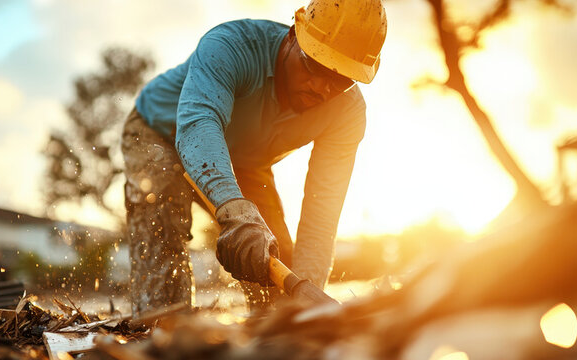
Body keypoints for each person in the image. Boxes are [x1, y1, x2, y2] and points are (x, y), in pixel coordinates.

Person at [122, 0, 387, 315]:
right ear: (292, 37)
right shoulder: (230, 46)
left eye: (341, 79)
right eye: (315, 66)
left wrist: (303, 305)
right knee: (163, 206)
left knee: (272, 260)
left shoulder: (348, 113)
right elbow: (198, 123)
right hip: (158, 131)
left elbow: (322, 211)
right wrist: (235, 211)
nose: (322, 87)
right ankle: (160, 323)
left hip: (244, 163)